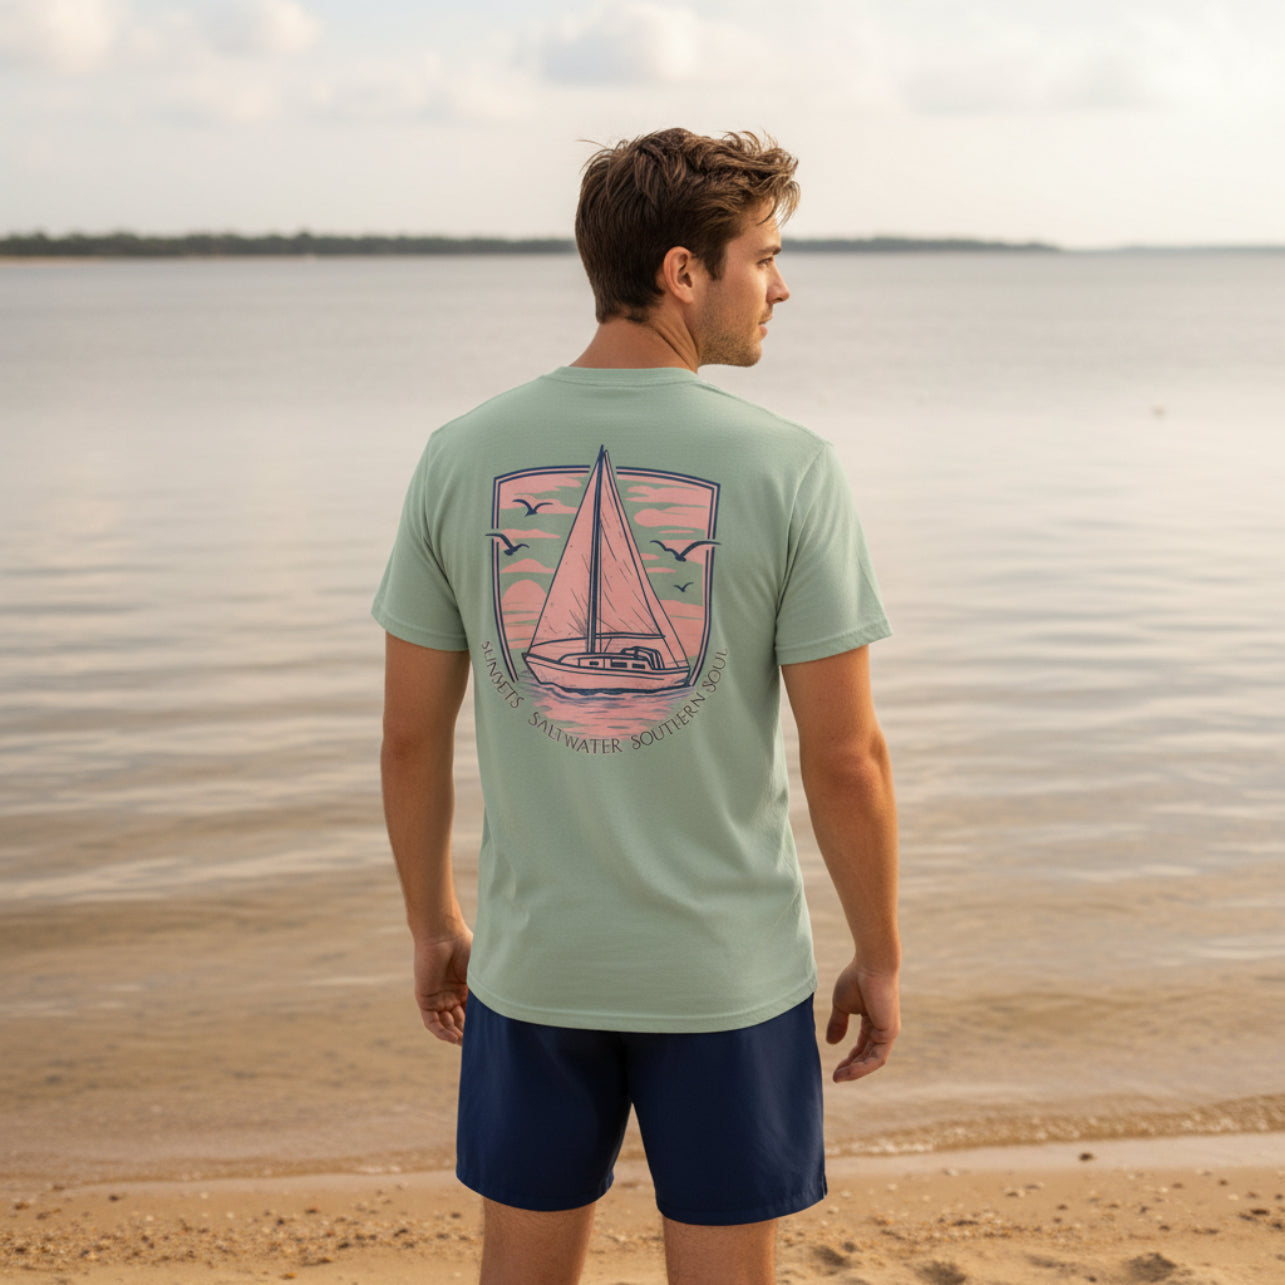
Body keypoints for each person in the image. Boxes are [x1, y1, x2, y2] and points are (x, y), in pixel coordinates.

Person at [374, 127, 900, 1285]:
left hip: (534, 966)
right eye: (761, 256)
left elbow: (410, 736)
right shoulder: (789, 468)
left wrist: (433, 920)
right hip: (727, 976)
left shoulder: (460, 456)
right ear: (681, 271)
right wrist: (880, 950)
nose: (780, 283)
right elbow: (846, 758)